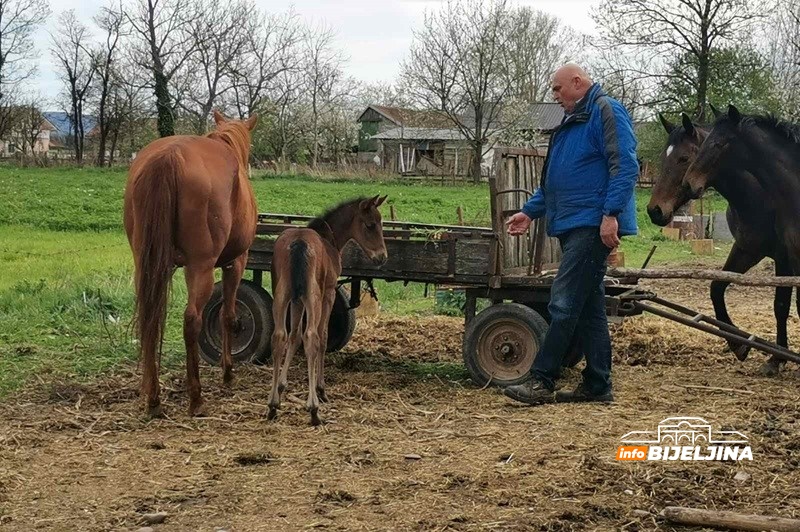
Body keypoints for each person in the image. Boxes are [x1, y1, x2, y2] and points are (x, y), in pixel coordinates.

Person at [503, 63, 639, 405]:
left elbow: (625, 165)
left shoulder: (606, 111)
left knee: (562, 302)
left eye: (557, 88)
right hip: (572, 222)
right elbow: (555, 181)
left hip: (591, 224)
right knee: (590, 308)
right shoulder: (572, 122)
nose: (554, 95)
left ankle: (541, 380)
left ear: (577, 82)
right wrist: (529, 211)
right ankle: (597, 384)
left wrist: (611, 215)